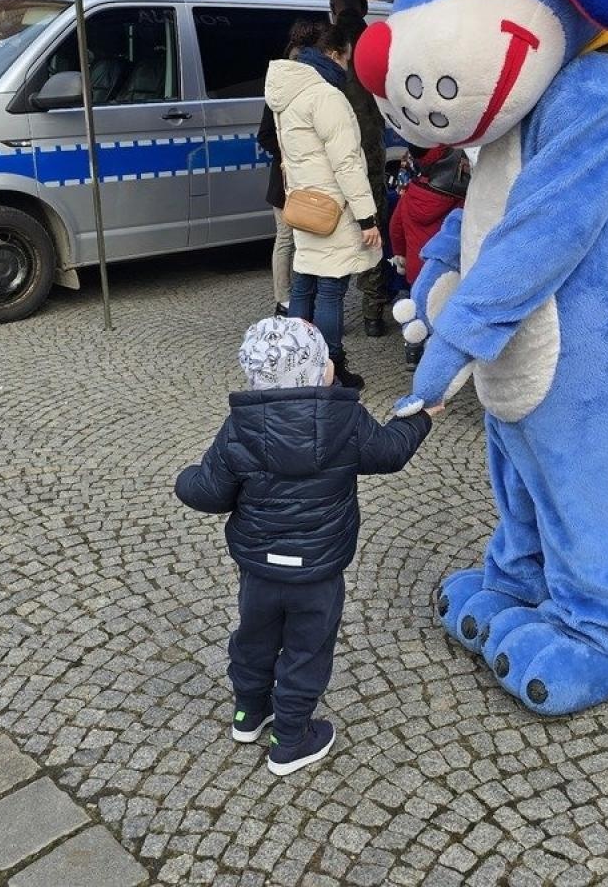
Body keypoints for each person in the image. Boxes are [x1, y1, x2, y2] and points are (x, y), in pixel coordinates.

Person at [176, 316, 436, 775]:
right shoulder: (346, 419)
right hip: (318, 571)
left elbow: (210, 492)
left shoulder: (240, 427)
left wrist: (187, 479)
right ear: (319, 372)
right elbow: (389, 454)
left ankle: (248, 712)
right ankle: (291, 738)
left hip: (259, 568)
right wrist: (414, 422)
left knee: (254, 636)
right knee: (307, 649)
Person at [266, 21, 381, 389]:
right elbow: (346, 162)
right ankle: (329, 366)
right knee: (331, 289)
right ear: (333, 54)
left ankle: (296, 363)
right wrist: (367, 217)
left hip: (302, 203)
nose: (348, 67)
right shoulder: (326, 96)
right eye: (347, 57)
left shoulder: (288, 93)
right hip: (333, 207)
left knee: (303, 286)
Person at [328, 0, 392, 338]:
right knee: (373, 229)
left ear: (334, 8)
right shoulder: (377, 39)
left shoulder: (326, 42)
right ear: (363, 8)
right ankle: (372, 313)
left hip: (337, 153)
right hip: (370, 151)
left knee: (336, 230)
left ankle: (331, 310)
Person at [258, 17, 323, 315]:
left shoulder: (277, 88)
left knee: (295, 240)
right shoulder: (283, 91)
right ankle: (286, 299)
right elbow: (265, 135)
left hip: (295, 179)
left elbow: (265, 136)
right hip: (289, 179)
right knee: (290, 240)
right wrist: (289, 154)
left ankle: (289, 298)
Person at [388, 144, 471, 366]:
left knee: (417, 308)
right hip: (446, 267)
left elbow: (395, 227)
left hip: (416, 267)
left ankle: (413, 351)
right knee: (443, 308)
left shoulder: (409, 194)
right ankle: (440, 357)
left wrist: (399, 255)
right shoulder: (459, 199)